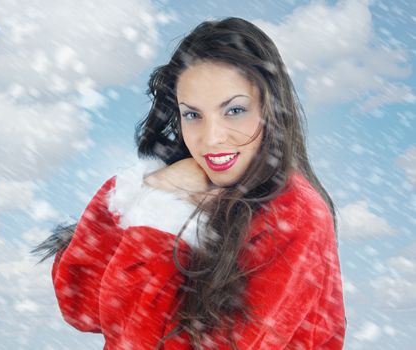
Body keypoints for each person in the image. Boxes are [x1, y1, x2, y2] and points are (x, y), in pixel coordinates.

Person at [32, 17, 346, 350]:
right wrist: (155, 191)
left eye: (234, 110)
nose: (211, 138)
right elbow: (80, 304)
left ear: (270, 109)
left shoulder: (295, 212)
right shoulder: (175, 182)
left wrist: (157, 220)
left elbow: (147, 339)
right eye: (193, 115)